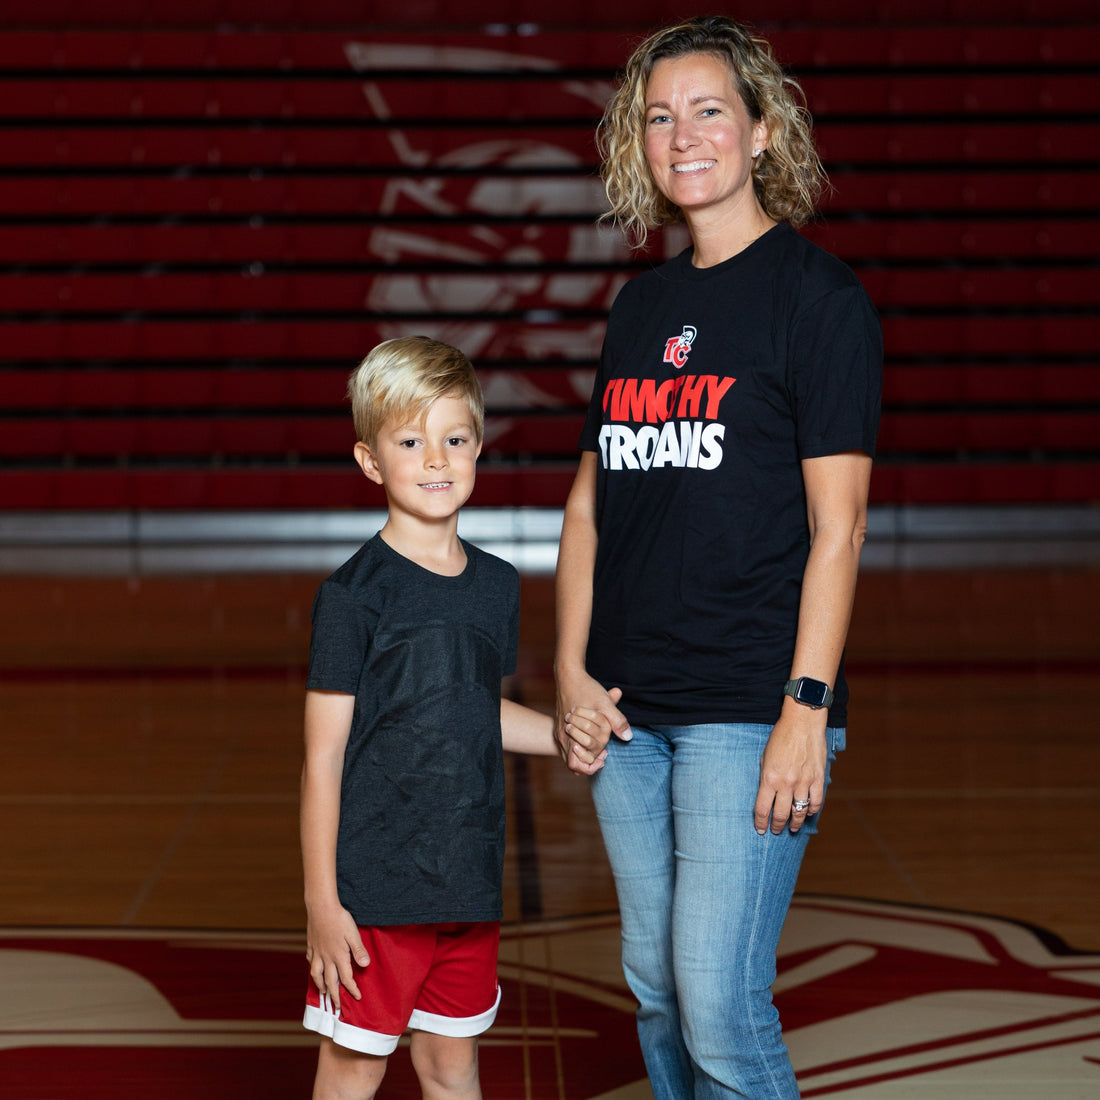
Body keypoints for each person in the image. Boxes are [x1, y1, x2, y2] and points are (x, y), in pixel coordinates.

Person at [554, 16, 882, 1100]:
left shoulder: (816, 299)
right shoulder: (639, 306)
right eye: (657, 116)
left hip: (749, 703)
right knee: (654, 983)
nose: (680, 135)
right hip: (628, 709)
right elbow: (588, 509)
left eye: (707, 110)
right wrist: (567, 671)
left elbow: (838, 527)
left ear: (758, 129)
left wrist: (804, 704)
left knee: (717, 997)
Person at [300, 335, 611, 1100]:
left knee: (451, 1066)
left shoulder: (495, 585)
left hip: (467, 881)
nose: (436, 459)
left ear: (478, 448)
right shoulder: (353, 597)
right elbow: (323, 758)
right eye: (411, 441)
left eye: (455, 439)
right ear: (371, 461)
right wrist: (321, 902)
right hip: (375, 891)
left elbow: (467, 708)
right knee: (354, 1069)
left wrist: (565, 734)